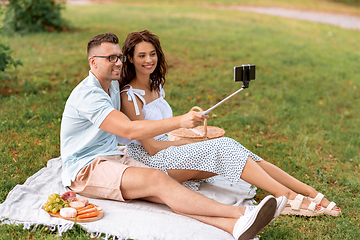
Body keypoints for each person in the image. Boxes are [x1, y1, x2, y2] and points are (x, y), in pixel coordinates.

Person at [60, 32, 281, 240]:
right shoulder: (89, 95)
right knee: (156, 180)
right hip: (86, 168)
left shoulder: (113, 85)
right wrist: (180, 121)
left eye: (118, 57)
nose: (118, 62)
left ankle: (234, 227)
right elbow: (128, 130)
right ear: (93, 62)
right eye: (110, 58)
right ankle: (242, 213)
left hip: (113, 157)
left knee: (167, 190)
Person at [117, 30, 341, 217]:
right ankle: (287, 196)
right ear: (130, 58)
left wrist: (189, 128)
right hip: (152, 161)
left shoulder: (156, 85)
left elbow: (164, 127)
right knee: (222, 147)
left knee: (237, 150)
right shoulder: (129, 96)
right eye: (142, 56)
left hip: (169, 151)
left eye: (153, 54)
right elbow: (152, 147)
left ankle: (307, 191)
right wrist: (190, 144)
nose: (149, 60)